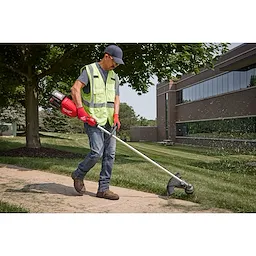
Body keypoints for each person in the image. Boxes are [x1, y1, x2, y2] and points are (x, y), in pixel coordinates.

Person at [70, 45, 124, 200]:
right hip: (93, 119)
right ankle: (78, 174)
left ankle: (103, 189)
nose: (116, 65)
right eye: (115, 61)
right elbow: (75, 89)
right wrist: (80, 109)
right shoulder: (89, 70)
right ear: (107, 56)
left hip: (109, 121)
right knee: (96, 152)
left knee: (110, 155)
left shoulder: (114, 76)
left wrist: (116, 115)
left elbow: (116, 98)